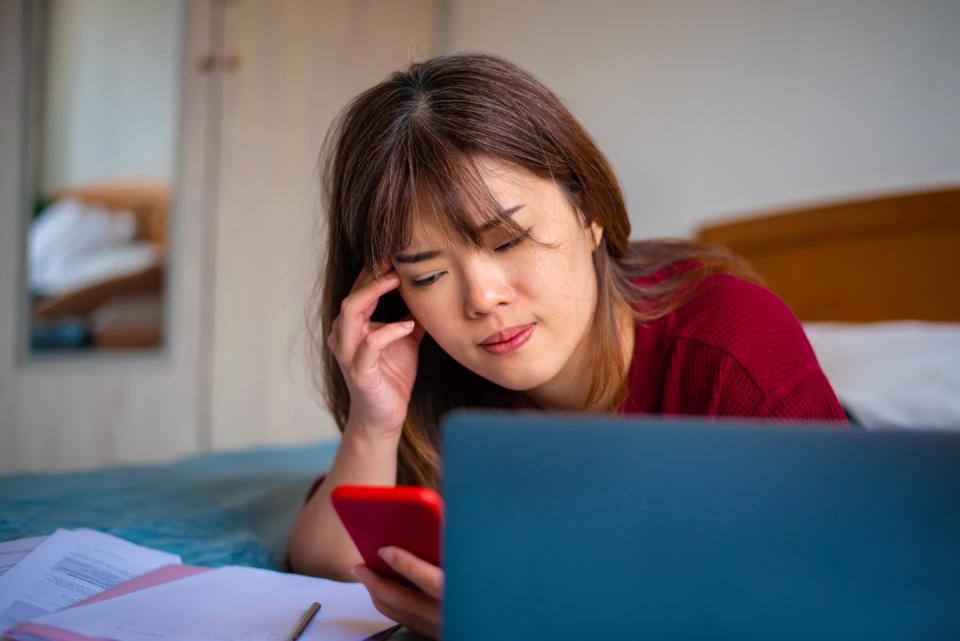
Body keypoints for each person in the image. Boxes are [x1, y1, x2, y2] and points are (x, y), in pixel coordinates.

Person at [287, 52, 846, 639]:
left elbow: (840, 582)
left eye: (509, 241)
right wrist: (373, 424)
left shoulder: (732, 338)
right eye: (427, 277)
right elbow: (326, 563)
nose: (481, 298)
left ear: (589, 212)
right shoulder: (436, 378)